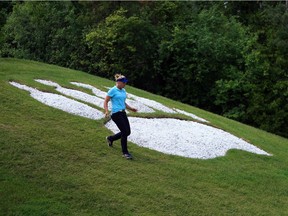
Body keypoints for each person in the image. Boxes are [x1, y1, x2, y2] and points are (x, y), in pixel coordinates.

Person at [104, 74, 138, 159]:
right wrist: (106, 111)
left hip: (123, 113)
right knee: (124, 132)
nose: (124, 84)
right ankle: (125, 153)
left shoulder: (123, 91)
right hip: (116, 114)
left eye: (125, 83)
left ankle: (110, 138)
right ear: (118, 82)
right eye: (123, 83)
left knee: (127, 132)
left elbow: (123, 102)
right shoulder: (112, 90)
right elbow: (106, 101)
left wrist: (131, 108)